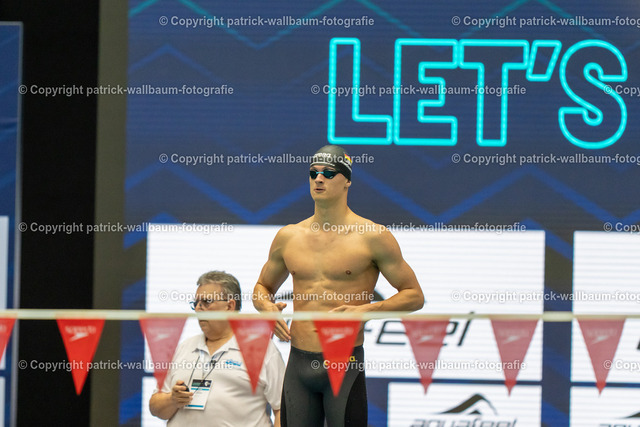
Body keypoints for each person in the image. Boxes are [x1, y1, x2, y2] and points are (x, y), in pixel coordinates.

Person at [253, 145, 424, 427]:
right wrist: (266, 308)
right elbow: (262, 287)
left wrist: (365, 311)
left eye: (329, 173)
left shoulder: (372, 236)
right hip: (298, 363)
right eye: (313, 173)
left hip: (345, 365)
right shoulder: (289, 236)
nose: (319, 179)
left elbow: (414, 296)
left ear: (347, 181)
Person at [150, 271, 285, 426]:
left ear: (230, 305)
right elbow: (155, 407)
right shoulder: (184, 348)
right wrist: (172, 399)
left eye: (206, 302)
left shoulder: (261, 349)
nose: (198, 308)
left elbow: (282, 408)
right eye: (196, 303)